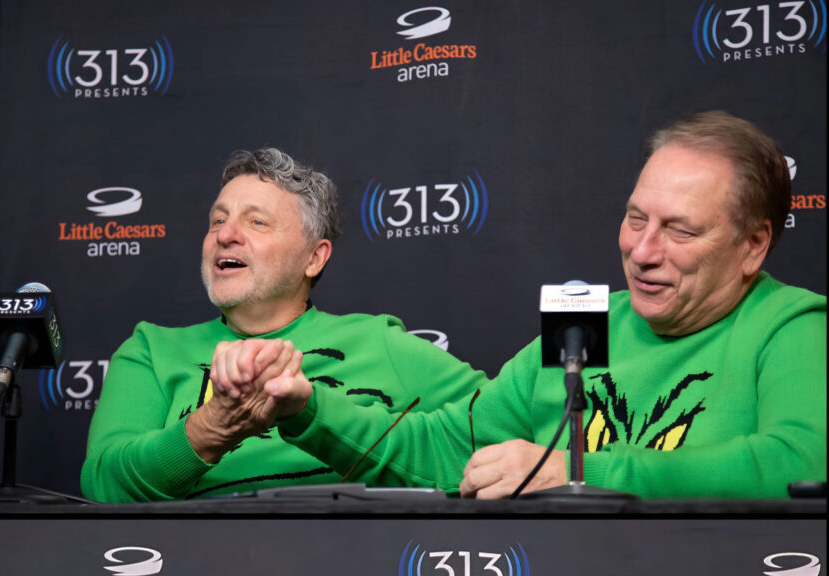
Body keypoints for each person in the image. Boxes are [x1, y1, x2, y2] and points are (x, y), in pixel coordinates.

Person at [235, 112, 826, 499]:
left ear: (753, 246)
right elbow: (447, 448)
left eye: (681, 231)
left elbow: (796, 466)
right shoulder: (587, 320)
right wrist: (306, 408)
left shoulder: (792, 325)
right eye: (635, 218)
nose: (642, 251)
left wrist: (578, 474)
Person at [80, 147, 486, 501]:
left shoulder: (376, 341)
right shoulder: (152, 350)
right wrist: (210, 429)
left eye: (256, 222)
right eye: (217, 221)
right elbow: (104, 484)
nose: (226, 235)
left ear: (314, 257)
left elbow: (501, 424)